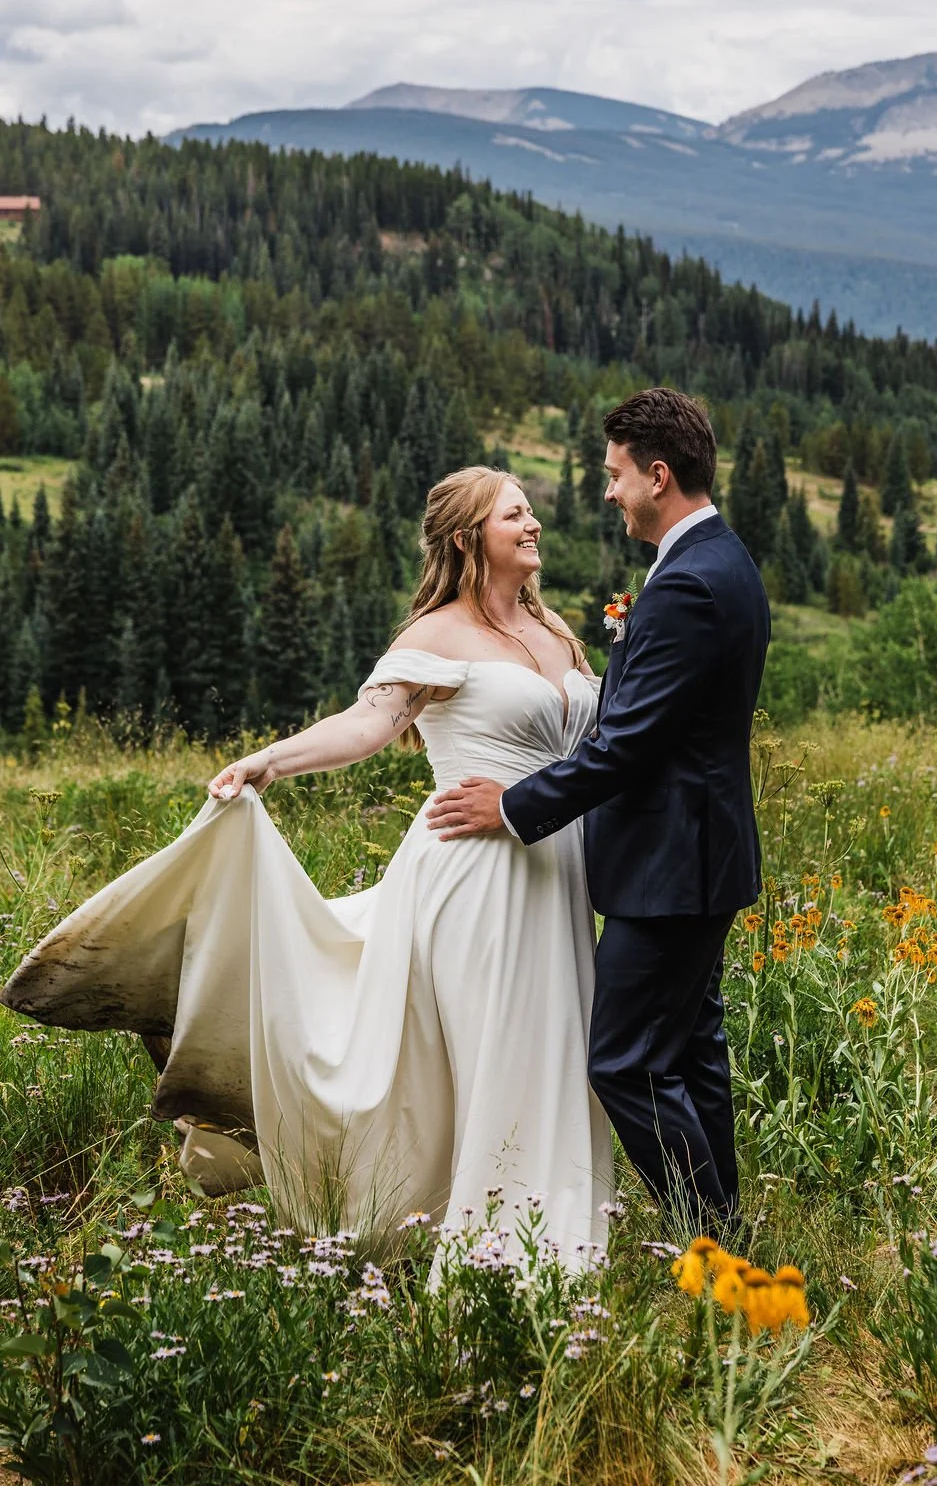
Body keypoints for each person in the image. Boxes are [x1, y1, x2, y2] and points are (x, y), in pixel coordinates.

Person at [1, 467, 613, 1268]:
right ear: (468, 537)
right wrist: (270, 762)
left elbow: (600, 746)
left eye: (531, 511)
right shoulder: (435, 634)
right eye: (515, 514)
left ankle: (554, 1227)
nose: (534, 524)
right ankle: (491, 1249)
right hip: (474, 874)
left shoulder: (558, 634)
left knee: (558, 1042)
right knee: (500, 1047)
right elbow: (365, 725)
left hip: (556, 874)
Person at [426, 388, 771, 1235]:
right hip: (696, 858)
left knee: (623, 1062)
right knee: (691, 1052)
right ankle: (729, 1239)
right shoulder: (714, 560)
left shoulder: (689, 583)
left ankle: (718, 1242)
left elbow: (625, 750)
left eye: (616, 475)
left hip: (672, 867)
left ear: (659, 475)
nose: (608, 491)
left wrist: (511, 803)